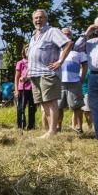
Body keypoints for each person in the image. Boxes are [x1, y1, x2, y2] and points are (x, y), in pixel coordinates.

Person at [26, 9, 73, 138]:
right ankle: (49, 131)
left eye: (41, 17)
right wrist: (27, 73)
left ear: (46, 19)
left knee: (51, 101)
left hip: (48, 73)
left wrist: (60, 60)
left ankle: (52, 130)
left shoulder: (52, 31)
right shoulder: (34, 36)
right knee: (44, 103)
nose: (38, 20)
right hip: (34, 74)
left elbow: (68, 43)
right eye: (35, 18)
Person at [58, 27, 88, 134]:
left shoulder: (78, 51)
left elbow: (85, 65)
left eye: (68, 34)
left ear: (71, 36)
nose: (66, 36)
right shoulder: (56, 50)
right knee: (58, 106)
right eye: (64, 34)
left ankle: (79, 128)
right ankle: (58, 127)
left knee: (77, 106)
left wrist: (82, 78)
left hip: (74, 83)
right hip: (59, 83)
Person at [14, 46, 36, 130]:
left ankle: (31, 126)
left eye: (30, 50)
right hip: (22, 88)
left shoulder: (34, 62)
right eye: (27, 50)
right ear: (24, 51)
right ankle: (21, 125)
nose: (28, 51)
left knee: (32, 107)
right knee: (21, 108)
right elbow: (16, 77)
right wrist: (16, 90)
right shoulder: (20, 63)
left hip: (33, 88)